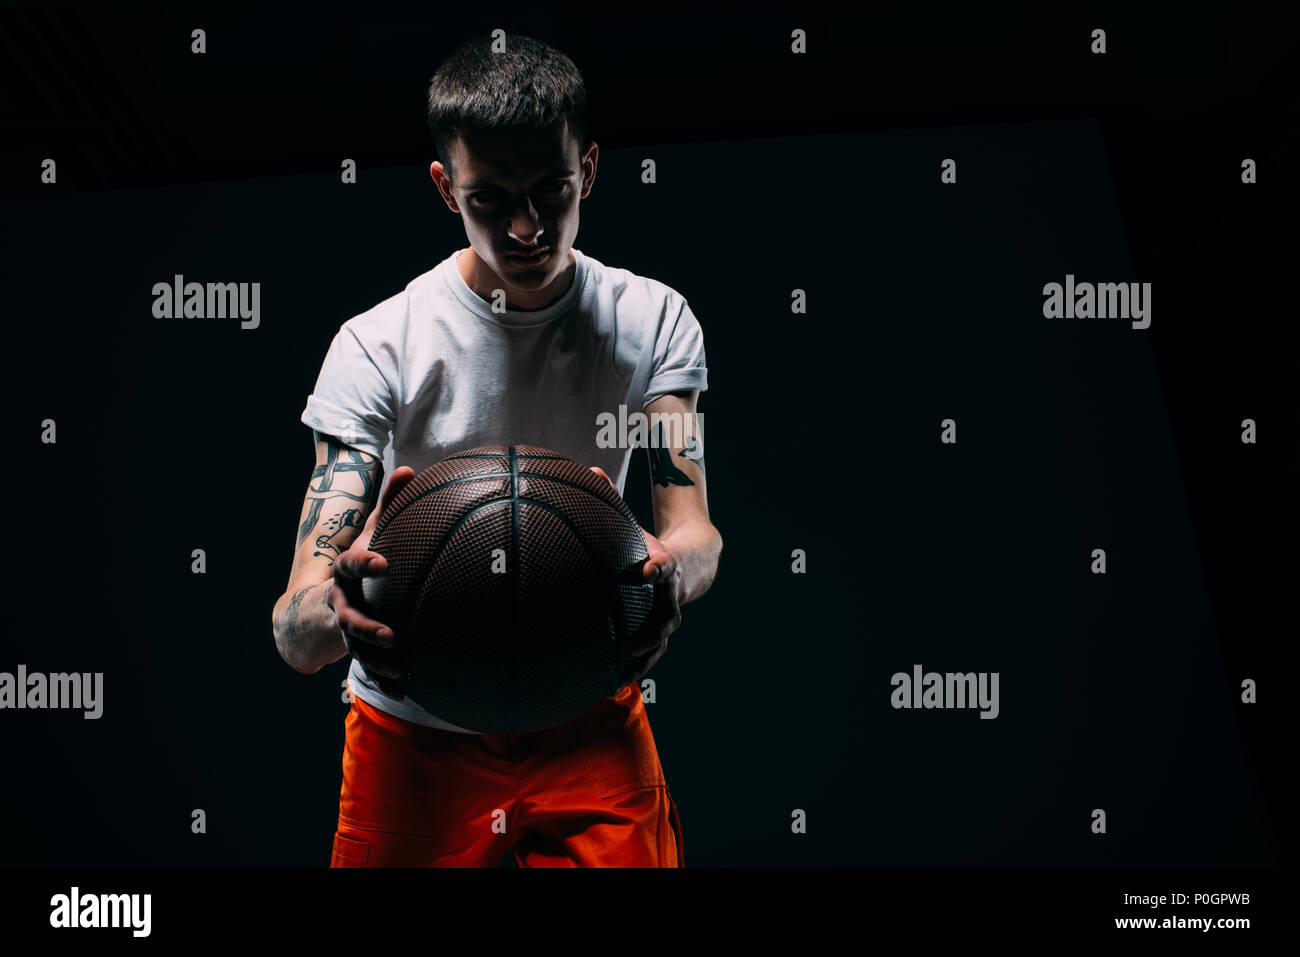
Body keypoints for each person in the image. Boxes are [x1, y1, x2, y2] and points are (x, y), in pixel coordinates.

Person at [269, 32, 722, 867]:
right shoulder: (378, 345)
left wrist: (667, 578)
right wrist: (338, 601)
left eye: (551, 191)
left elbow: (693, 530)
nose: (526, 226)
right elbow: (294, 631)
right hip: (414, 724)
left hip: (585, 701)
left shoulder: (653, 320)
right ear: (447, 187)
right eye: (492, 199)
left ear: (587, 169)